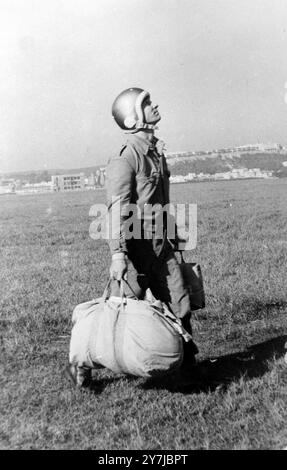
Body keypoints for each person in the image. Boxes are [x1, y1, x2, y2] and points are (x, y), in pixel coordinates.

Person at [106, 87, 198, 368]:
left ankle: (187, 367)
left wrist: (173, 237)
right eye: (146, 103)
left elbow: (160, 202)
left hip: (160, 245)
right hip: (136, 247)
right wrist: (118, 255)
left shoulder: (156, 153)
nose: (153, 105)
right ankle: (86, 357)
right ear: (134, 117)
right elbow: (117, 209)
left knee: (180, 300)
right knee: (117, 308)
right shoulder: (126, 156)